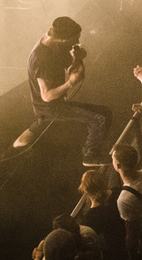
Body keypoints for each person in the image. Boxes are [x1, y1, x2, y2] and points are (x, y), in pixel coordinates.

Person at [13, 16, 112, 165]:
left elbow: (69, 68)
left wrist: (77, 60)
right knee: (99, 119)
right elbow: (46, 96)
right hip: (50, 107)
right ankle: (90, 156)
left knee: (104, 113)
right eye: (75, 39)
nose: (77, 42)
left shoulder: (55, 44)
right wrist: (70, 83)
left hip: (55, 104)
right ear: (63, 39)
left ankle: (18, 144)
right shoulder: (42, 58)